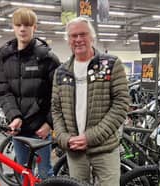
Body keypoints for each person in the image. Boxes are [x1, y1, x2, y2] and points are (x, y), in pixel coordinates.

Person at [51, 17, 130, 186]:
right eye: (73, 36)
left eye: (83, 34)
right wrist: (64, 138)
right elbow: (56, 109)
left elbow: (121, 104)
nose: (78, 39)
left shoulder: (111, 64)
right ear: (68, 41)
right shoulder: (61, 71)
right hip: (75, 151)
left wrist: (90, 137)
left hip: (105, 148)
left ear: (92, 37)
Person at [0, 8, 60, 179]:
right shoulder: (5, 57)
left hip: (41, 129)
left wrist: (49, 124)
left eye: (27, 25)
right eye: (18, 25)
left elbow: (59, 94)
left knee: (45, 172)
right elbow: (3, 90)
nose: (22, 29)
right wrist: (13, 117)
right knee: (23, 172)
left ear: (34, 28)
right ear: (13, 27)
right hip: (19, 128)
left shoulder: (48, 58)